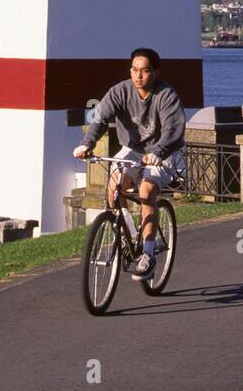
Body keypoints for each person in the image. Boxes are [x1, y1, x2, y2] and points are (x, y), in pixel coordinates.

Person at [74, 47, 185, 279]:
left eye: (144, 71)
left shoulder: (166, 96)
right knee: (114, 187)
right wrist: (87, 144)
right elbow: (99, 118)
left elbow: (173, 130)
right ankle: (128, 231)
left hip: (164, 152)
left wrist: (158, 151)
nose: (138, 76)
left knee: (146, 191)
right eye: (134, 70)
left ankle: (147, 253)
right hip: (133, 150)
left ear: (156, 72)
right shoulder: (120, 91)